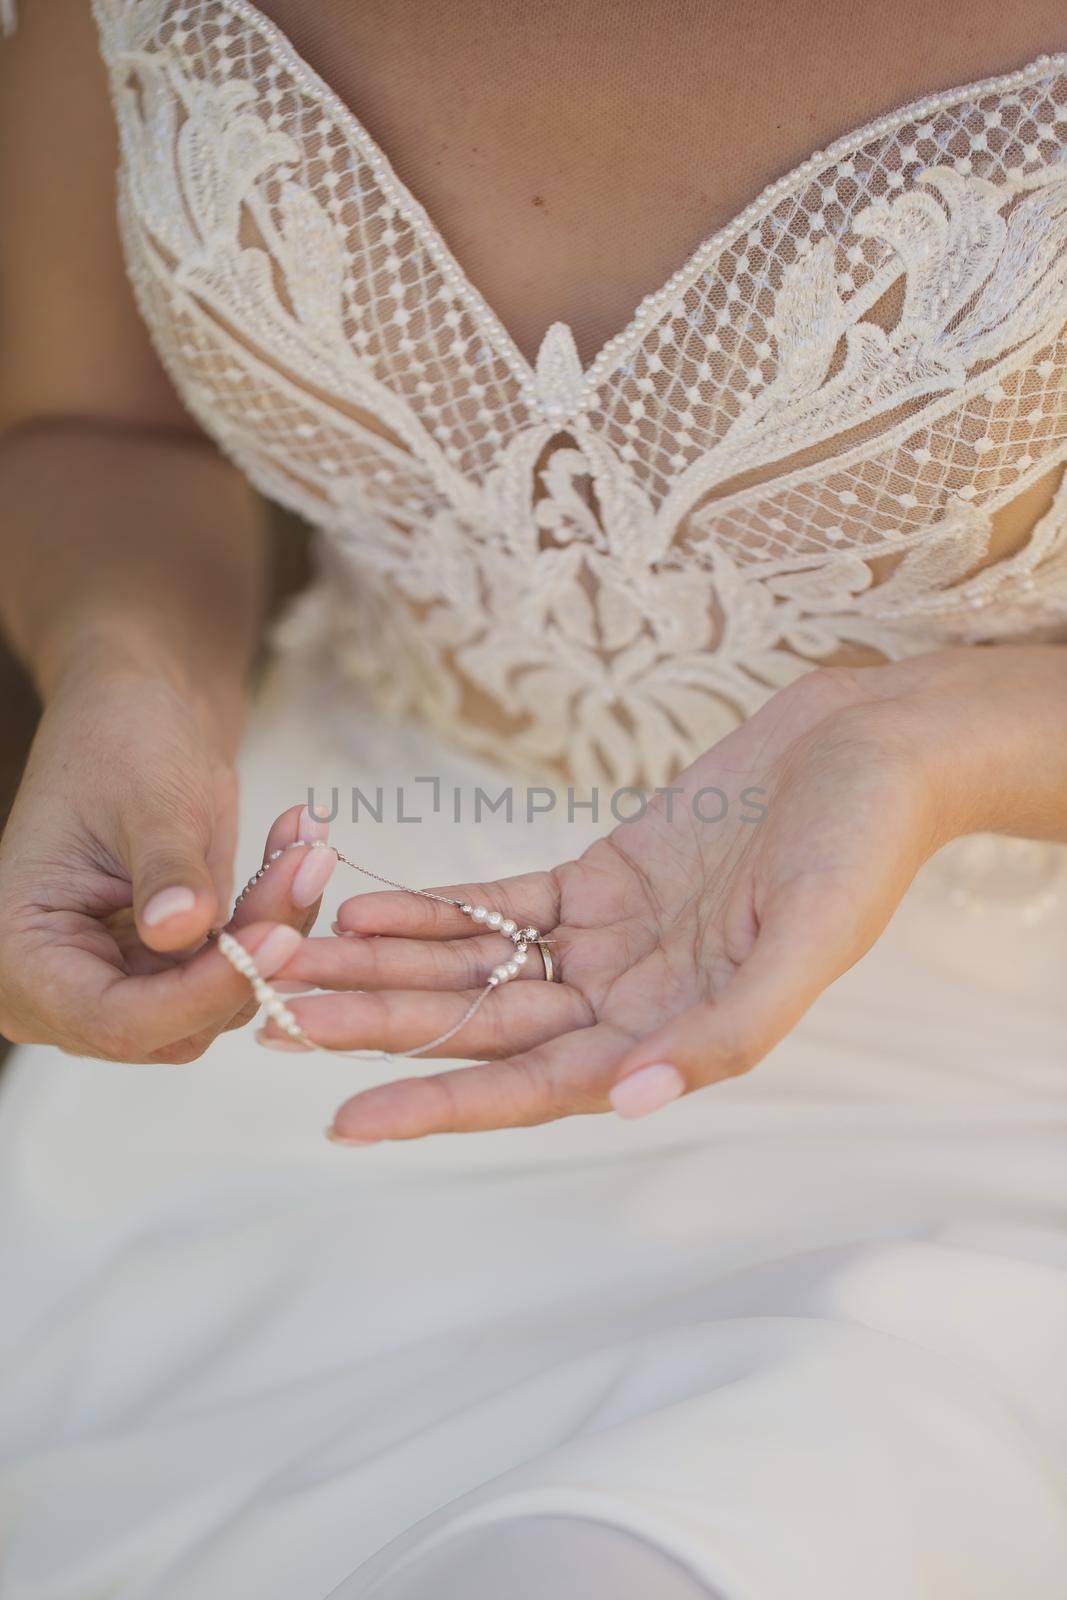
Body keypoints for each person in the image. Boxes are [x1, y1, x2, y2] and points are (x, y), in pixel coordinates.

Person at [0, 2, 1065, 1595]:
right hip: (317, 968)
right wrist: (130, 673)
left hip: (990, 1055)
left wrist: (938, 735)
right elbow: (98, 427)